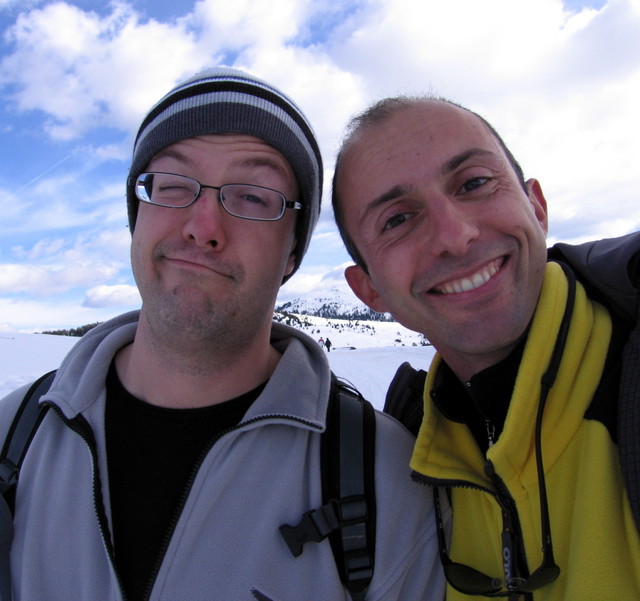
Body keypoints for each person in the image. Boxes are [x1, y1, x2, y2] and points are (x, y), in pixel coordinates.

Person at [0, 71, 445, 601]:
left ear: (293, 251)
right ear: (138, 216)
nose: (203, 226)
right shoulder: (13, 437)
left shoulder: (385, 479)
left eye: (253, 196)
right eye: (172, 185)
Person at [331, 95, 640, 600]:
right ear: (369, 291)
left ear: (536, 207)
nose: (455, 236)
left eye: (473, 183)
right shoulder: (406, 462)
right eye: (397, 219)